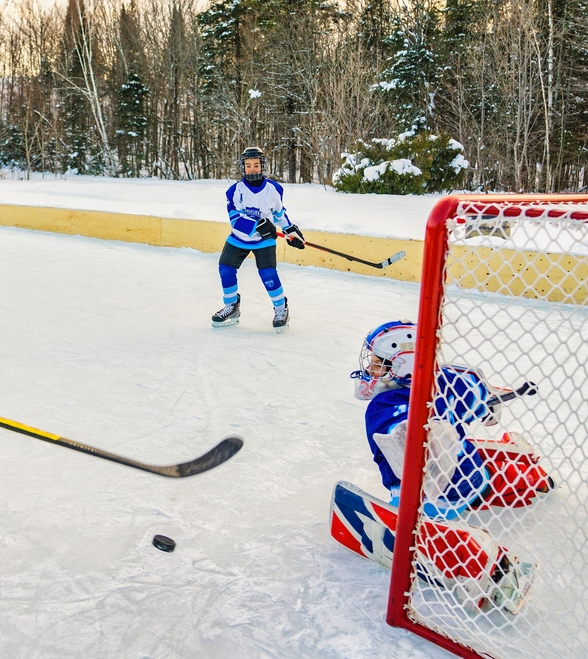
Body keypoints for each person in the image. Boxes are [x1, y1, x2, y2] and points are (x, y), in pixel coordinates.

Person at [352, 320, 552, 520]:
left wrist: (401, 432)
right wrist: (486, 406)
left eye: (378, 364)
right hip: (470, 469)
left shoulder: (384, 404)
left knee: (498, 485)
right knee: (496, 478)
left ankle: (537, 477)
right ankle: (517, 459)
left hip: (439, 496)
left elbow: (400, 431)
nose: (370, 369)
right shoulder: (444, 379)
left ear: (403, 367)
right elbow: (475, 388)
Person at [211, 146, 305, 331]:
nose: (252, 169)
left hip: (265, 240)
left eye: (256, 165)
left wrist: (290, 230)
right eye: (248, 165)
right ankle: (232, 306)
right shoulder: (234, 191)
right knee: (225, 269)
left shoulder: (273, 189)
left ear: (262, 166)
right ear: (243, 167)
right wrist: (257, 226)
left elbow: (279, 214)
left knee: (268, 274)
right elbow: (235, 219)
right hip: (239, 238)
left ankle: (281, 308)